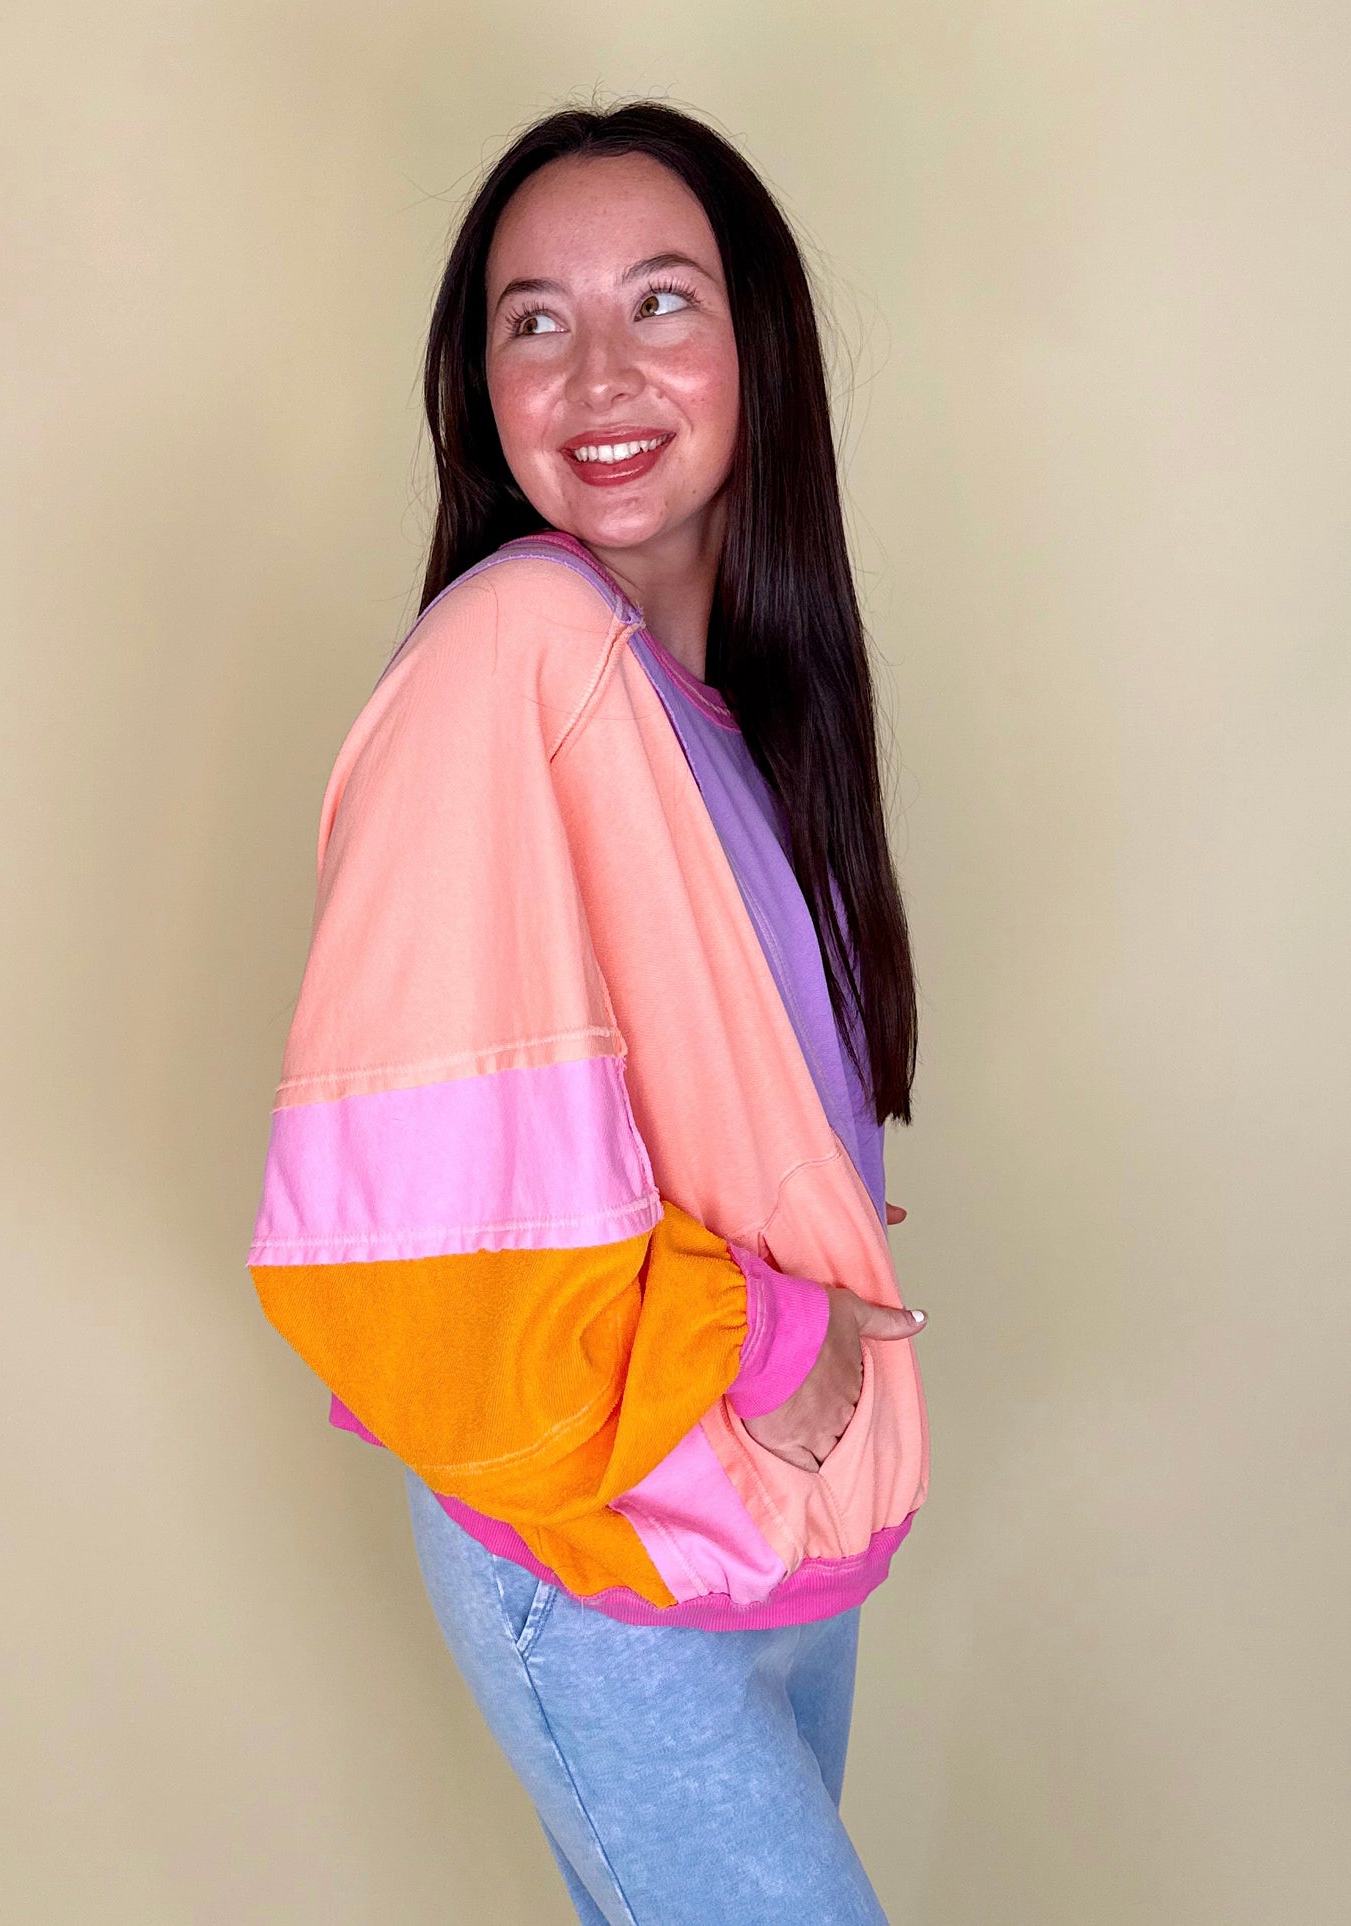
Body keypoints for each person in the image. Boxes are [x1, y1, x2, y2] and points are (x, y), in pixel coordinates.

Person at [248, 99, 930, 1926]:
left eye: (660, 301)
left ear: (756, 342)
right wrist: (766, 1335)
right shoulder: (514, 649)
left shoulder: (718, 703)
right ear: (478, 385)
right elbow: (399, 1233)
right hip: (603, 1548)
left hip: (748, 1540)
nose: (596, 375)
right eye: (533, 320)